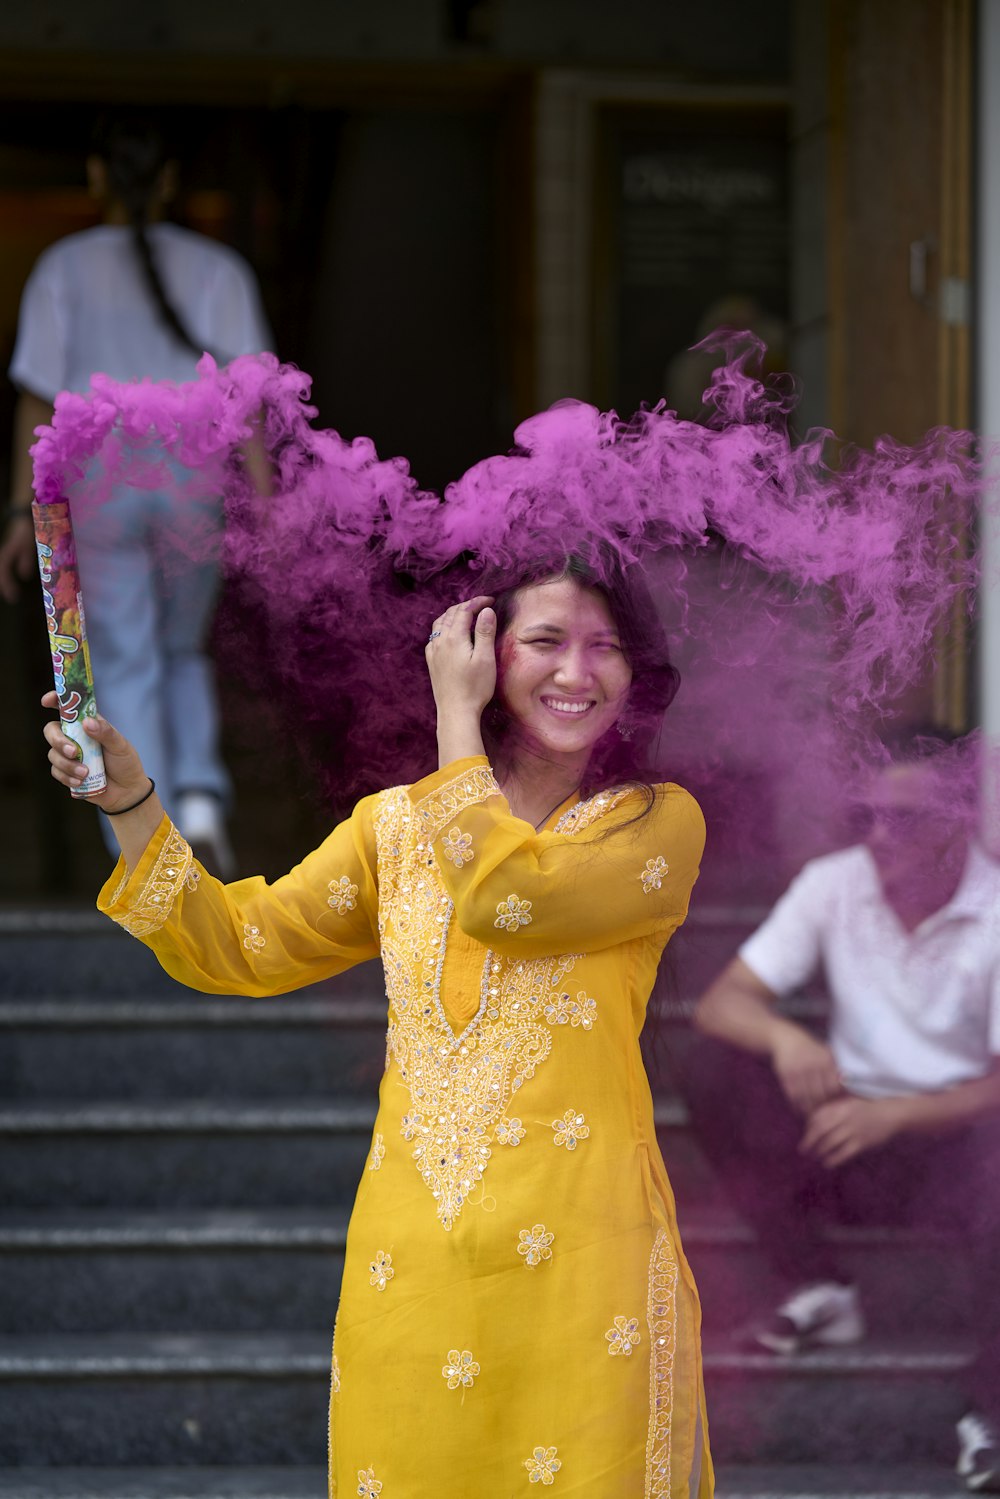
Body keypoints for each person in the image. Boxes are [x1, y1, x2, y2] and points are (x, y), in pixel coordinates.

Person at [42, 556, 711, 1496]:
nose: (577, 674)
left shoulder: (652, 824)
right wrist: (132, 803)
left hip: (586, 1277)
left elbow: (502, 896)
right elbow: (240, 946)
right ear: (481, 649)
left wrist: (453, 722)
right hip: (415, 1271)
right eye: (548, 642)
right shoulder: (393, 831)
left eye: (607, 649)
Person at [681, 734, 1000, 1492]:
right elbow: (723, 1004)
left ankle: (989, 1409)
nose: (881, 836)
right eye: (866, 816)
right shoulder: (836, 883)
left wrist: (899, 1117)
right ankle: (818, 1284)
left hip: (957, 1150)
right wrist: (788, 1037)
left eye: (907, 819)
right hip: (848, 1140)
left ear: (959, 820)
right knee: (717, 1070)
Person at [2, 113, 273, 874]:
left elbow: (36, 404)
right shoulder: (221, 270)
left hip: (99, 491)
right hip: (196, 490)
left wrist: (21, 514)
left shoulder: (62, 267)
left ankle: (142, 830)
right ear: (173, 183)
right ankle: (200, 802)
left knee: (125, 657)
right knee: (183, 650)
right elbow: (246, 404)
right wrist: (265, 506)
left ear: (96, 177)